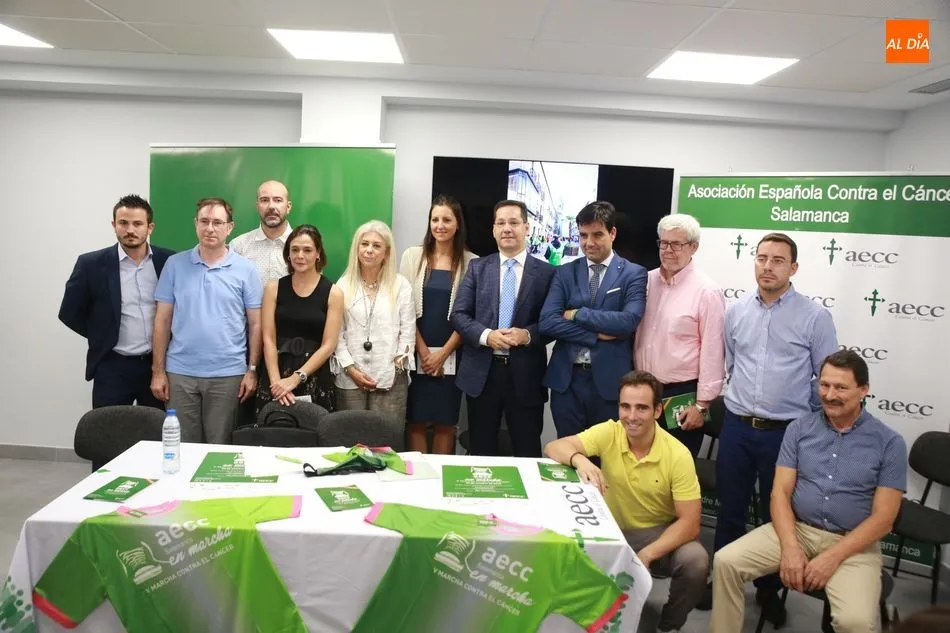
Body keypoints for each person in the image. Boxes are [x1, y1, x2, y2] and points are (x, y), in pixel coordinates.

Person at [711, 350, 907, 633]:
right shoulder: (799, 428)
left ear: (864, 390)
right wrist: (790, 549)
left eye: (841, 387)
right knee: (725, 562)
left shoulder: (889, 443)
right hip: (797, 531)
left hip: (854, 544)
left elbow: (884, 519)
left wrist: (831, 557)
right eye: (824, 385)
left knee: (856, 623)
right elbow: (779, 493)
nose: (829, 394)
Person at [701, 232, 839, 619]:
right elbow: (729, 363)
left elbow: (825, 378)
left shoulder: (814, 316)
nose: (767, 266)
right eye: (761, 258)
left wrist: (801, 415)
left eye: (778, 260)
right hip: (738, 427)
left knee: (774, 513)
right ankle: (721, 577)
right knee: (729, 508)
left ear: (793, 268)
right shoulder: (736, 312)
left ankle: (770, 590)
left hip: (787, 434)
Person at [545, 370, 707, 633]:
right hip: (609, 528)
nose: (631, 416)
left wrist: (648, 554)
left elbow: (690, 523)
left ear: (657, 411)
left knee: (696, 561)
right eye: (625, 406)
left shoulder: (678, 455)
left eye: (641, 408)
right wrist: (580, 459)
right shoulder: (610, 431)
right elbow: (554, 447)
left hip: (656, 532)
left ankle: (668, 625)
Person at [150, 197, 262, 444]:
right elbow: (162, 321)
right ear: (195, 224)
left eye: (217, 222)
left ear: (229, 227)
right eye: (204, 221)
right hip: (179, 373)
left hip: (228, 374)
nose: (210, 228)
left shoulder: (246, 269)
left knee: (220, 447)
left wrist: (252, 370)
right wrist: (158, 371)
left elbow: (256, 324)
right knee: (182, 446)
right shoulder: (175, 265)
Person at [451, 200, 555, 458]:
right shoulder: (477, 268)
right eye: (501, 223)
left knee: (527, 449)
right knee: (480, 447)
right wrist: (487, 336)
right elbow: (459, 314)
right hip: (482, 375)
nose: (507, 228)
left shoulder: (547, 273)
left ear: (527, 227)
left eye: (514, 222)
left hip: (526, 375)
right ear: (493, 230)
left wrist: (527, 335)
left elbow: (553, 323)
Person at [540, 201, 647, 438]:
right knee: (568, 454)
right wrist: (593, 334)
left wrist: (576, 314)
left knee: (605, 458)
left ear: (613, 233)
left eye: (597, 234)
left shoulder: (633, 274)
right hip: (566, 382)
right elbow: (547, 321)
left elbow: (628, 322)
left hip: (608, 383)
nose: (589, 243)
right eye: (583, 235)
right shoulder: (565, 272)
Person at [59, 194, 174, 409]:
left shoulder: (168, 261)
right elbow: (69, 312)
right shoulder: (91, 264)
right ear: (114, 225)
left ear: (150, 227)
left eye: (138, 223)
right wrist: (103, 333)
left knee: (156, 431)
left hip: (158, 365)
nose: (130, 229)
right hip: (113, 365)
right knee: (108, 433)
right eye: (123, 223)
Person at [634, 213, 725, 457]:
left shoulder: (707, 291)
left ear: (694, 247)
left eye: (676, 244)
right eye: (663, 243)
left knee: (675, 474)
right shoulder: (644, 281)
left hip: (681, 395)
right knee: (637, 466)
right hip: (642, 389)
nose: (667, 250)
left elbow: (713, 352)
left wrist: (702, 406)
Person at [400, 196, 476, 454]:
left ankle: (442, 483)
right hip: (415, 350)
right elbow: (405, 310)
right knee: (415, 421)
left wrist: (442, 355)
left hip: (454, 353)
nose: (440, 225)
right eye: (435, 219)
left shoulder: (472, 262)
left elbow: (471, 316)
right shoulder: (412, 257)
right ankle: (417, 481)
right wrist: (424, 354)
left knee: (446, 422)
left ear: (458, 225)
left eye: (446, 219)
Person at [333, 221, 414, 419]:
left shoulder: (401, 285)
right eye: (364, 244)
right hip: (350, 376)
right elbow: (336, 334)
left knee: (386, 440)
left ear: (386, 253)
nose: (369, 250)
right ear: (357, 248)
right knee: (351, 439)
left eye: (376, 246)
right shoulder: (342, 285)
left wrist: (393, 369)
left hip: (391, 378)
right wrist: (351, 369)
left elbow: (408, 332)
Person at [259, 224, 342, 412]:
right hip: (275, 373)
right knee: (271, 431)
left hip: (313, 375)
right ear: (288, 254)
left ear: (318, 253)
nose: (300, 255)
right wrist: (277, 384)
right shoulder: (273, 288)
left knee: (311, 434)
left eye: (307, 250)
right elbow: (268, 339)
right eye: (294, 250)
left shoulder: (333, 293)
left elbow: (329, 345)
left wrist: (295, 379)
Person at [230, 180, 293, 284]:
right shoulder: (238, 247)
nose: (271, 206)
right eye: (264, 200)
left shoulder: (305, 247)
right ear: (257, 206)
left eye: (278, 200)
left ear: (288, 207)